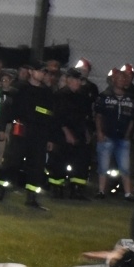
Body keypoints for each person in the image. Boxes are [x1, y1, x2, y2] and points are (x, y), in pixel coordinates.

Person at [0, 60, 54, 209]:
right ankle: (1, 191)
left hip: (39, 134)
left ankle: (31, 197)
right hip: (21, 130)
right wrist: (1, 127)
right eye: (39, 71)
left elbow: (50, 115)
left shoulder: (46, 93)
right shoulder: (19, 89)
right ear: (31, 72)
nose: (41, 74)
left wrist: (50, 138)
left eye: (43, 72)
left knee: (37, 165)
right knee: (12, 162)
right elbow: (7, 109)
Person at [49, 68, 93, 200]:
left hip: (79, 133)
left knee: (81, 162)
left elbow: (85, 116)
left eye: (79, 80)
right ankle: (57, 189)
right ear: (69, 80)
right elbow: (58, 117)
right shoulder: (60, 95)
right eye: (76, 80)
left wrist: (87, 132)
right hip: (62, 134)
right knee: (60, 162)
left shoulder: (82, 96)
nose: (78, 82)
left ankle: (77, 190)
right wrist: (67, 133)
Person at [94, 68, 134, 201]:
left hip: (123, 138)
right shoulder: (104, 96)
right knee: (103, 165)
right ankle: (101, 191)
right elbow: (98, 116)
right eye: (118, 78)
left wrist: (128, 135)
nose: (121, 80)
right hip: (106, 136)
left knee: (125, 166)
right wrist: (100, 132)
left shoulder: (131, 98)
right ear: (113, 80)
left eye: (123, 78)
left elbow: (132, 119)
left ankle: (128, 193)